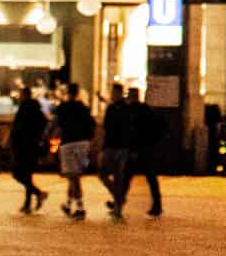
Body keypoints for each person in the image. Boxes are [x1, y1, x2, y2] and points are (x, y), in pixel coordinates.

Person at [53, 84, 96, 219]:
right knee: (74, 176)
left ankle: (80, 207)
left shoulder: (63, 108)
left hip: (68, 143)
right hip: (83, 143)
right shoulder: (83, 108)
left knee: (74, 177)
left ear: (67, 92)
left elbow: (57, 124)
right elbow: (92, 125)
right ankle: (68, 204)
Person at [9, 83, 50, 213]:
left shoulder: (24, 108)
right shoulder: (36, 109)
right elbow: (44, 123)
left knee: (18, 173)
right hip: (31, 145)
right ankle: (28, 203)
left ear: (25, 95)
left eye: (21, 94)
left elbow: (17, 128)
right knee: (27, 174)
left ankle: (37, 194)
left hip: (23, 145)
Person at [99, 85, 136, 219]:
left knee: (118, 176)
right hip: (111, 146)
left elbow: (129, 129)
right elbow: (106, 128)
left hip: (121, 148)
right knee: (103, 174)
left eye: (114, 92)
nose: (112, 95)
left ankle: (118, 205)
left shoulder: (126, 109)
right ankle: (118, 198)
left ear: (120, 93)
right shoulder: (112, 108)